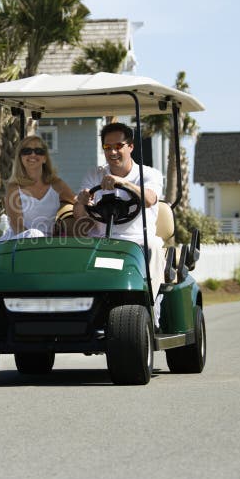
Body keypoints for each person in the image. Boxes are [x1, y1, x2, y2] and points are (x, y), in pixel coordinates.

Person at [73, 122, 166, 327]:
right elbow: (79, 215)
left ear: (130, 146)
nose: (113, 152)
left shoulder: (149, 174)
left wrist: (122, 183)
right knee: (76, 250)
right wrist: (81, 201)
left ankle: (152, 310)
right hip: (102, 241)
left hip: (137, 242)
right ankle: (81, 315)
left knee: (154, 245)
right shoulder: (94, 174)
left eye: (118, 146)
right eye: (107, 147)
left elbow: (149, 199)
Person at [0, 135, 76, 241]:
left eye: (38, 151)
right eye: (27, 151)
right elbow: (17, 226)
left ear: (45, 158)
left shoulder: (57, 185)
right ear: (20, 158)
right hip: (19, 241)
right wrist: (36, 243)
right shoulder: (14, 187)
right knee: (34, 233)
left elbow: (78, 202)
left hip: (47, 244)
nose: (33, 154)